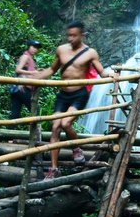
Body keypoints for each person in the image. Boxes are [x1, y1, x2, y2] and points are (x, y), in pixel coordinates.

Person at [32, 20, 118, 180]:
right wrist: (35, 76)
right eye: (69, 35)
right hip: (63, 95)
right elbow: (52, 70)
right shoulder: (61, 50)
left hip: (79, 94)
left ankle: (76, 147)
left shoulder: (90, 53)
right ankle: (53, 168)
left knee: (65, 123)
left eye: (74, 36)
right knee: (55, 126)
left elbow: (101, 72)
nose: (70, 39)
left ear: (82, 35)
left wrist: (111, 75)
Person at [9, 40, 41, 122]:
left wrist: (36, 71)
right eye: (34, 47)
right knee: (35, 110)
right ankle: (33, 133)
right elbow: (18, 70)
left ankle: (8, 134)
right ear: (29, 46)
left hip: (17, 89)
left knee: (15, 114)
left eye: (37, 48)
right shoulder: (25, 56)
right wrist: (33, 72)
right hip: (21, 88)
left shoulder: (28, 57)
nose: (35, 49)